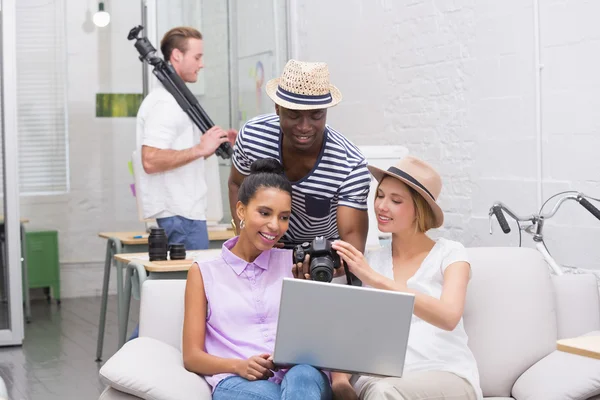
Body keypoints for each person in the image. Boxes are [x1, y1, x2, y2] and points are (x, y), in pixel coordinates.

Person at [330, 156, 483, 400]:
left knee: (383, 392)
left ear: (418, 209)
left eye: (396, 200)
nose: (381, 206)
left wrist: (374, 279)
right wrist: (339, 381)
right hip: (381, 379)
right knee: (379, 389)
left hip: (444, 374)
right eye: (380, 195)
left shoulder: (450, 254)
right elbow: (350, 330)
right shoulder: (369, 261)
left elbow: (448, 317)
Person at [182, 158, 332, 400]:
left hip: (300, 377)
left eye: (284, 217)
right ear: (241, 210)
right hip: (238, 380)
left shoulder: (293, 263)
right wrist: (238, 366)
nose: (275, 225)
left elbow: (320, 337)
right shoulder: (203, 272)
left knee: (302, 377)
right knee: (270, 395)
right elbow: (191, 357)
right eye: (264, 213)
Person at [227, 59, 371, 256]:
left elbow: (352, 241)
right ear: (277, 108)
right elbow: (237, 185)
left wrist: (339, 266)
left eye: (316, 116)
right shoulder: (253, 136)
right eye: (294, 115)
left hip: (321, 257)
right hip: (262, 250)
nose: (304, 126)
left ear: (326, 112)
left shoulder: (350, 165)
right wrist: (245, 236)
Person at [136, 26, 237, 251]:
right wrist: (199, 149)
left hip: (185, 214)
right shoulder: (164, 104)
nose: (202, 64)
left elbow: (178, 154)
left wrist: (210, 147)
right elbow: (150, 160)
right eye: (197, 57)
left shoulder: (175, 101)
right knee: (188, 285)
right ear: (177, 56)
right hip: (178, 216)